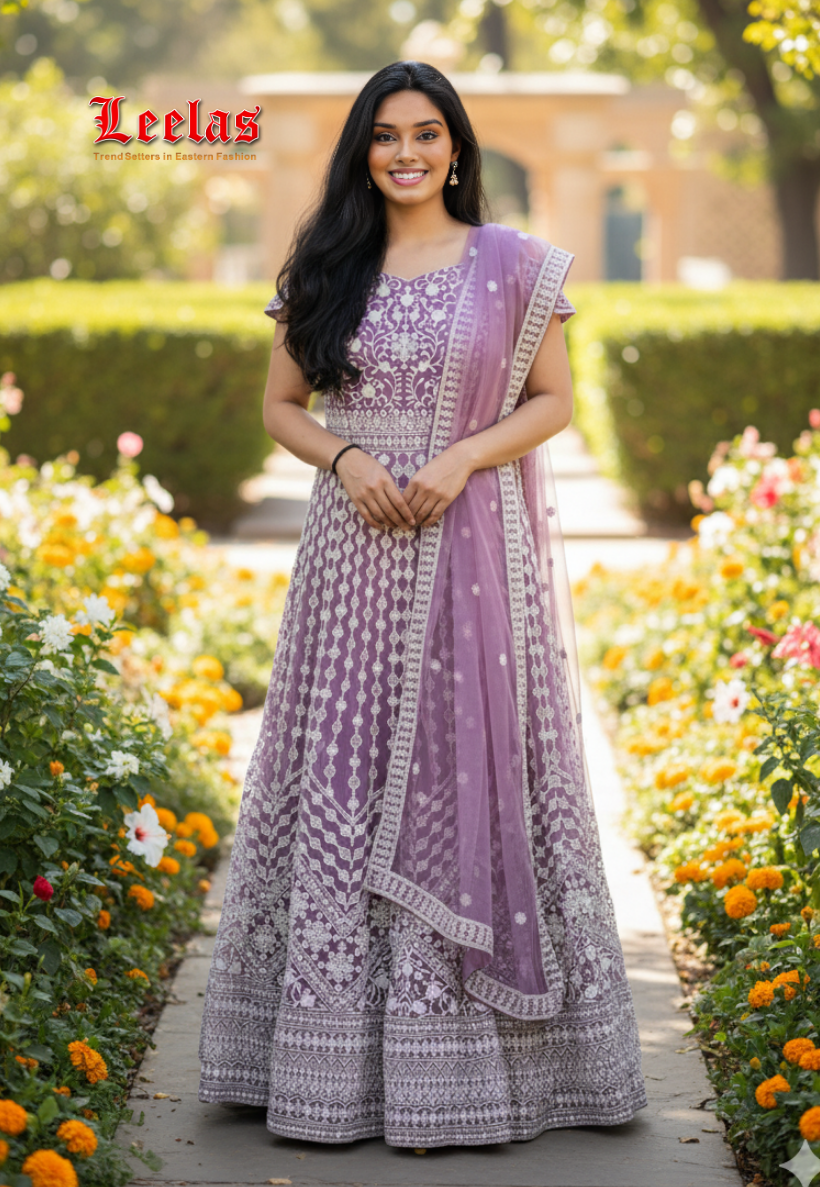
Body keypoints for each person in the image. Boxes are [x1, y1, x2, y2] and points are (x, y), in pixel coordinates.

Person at [198, 59, 648, 1148]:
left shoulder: (516, 264)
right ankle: (327, 1060)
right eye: (386, 136)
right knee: (343, 766)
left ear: (457, 146)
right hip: (352, 561)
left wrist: (460, 462)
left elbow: (552, 400)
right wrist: (349, 459)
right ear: (363, 149)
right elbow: (281, 404)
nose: (406, 152)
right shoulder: (325, 263)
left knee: (472, 764)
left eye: (426, 133)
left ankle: (498, 1063)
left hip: (472, 548)